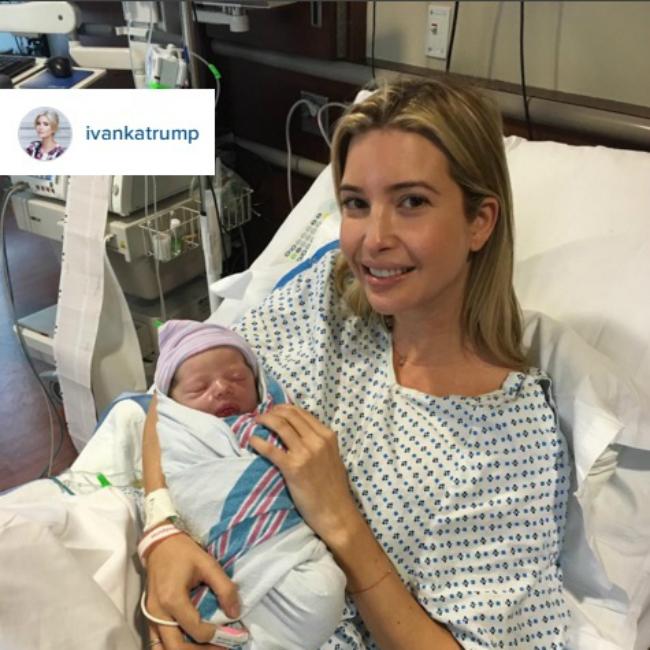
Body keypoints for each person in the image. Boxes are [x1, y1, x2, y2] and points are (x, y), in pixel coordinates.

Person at [142, 78, 571, 649]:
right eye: (356, 204)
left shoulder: (510, 438)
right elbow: (175, 395)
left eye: (411, 202)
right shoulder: (327, 298)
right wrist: (161, 532)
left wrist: (340, 519)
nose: (373, 239)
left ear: (480, 221)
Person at [143, 320, 345, 649]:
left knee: (322, 593)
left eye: (237, 378)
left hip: (285, 549)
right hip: (215, 556)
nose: (222, 388)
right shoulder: (181, 434)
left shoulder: (270, 421)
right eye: (199, 388)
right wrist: (159, 525)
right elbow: (159, 415)